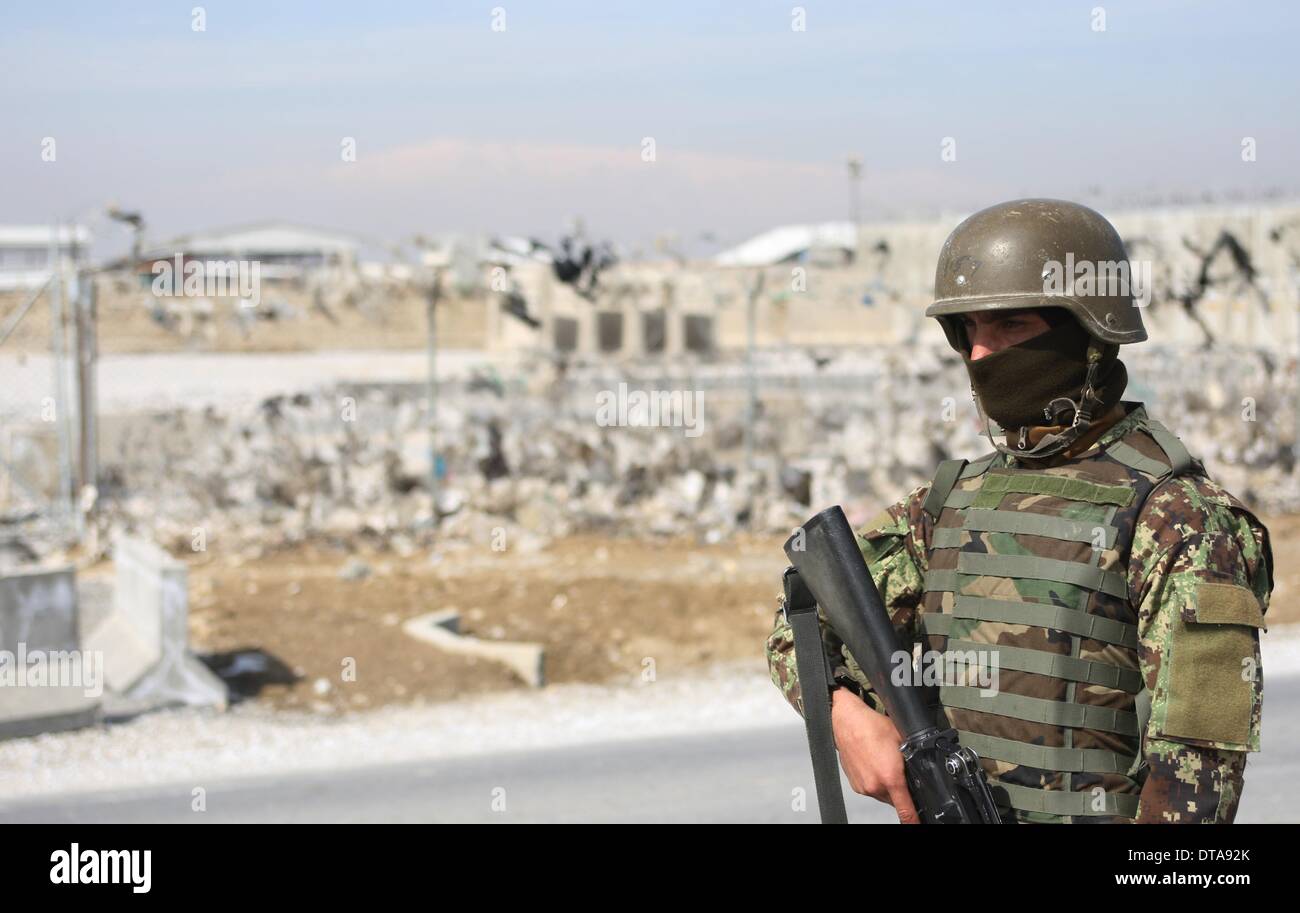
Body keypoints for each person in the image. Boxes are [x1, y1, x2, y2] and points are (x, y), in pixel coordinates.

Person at [765, 199, 1271, 824]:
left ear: (1087, 334)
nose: (982, 356)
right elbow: (802, 620)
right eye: (969, 332)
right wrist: (847, 716)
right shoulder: (948, 505)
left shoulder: (1181, 520)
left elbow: (1195, 789)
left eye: (1010, 328)